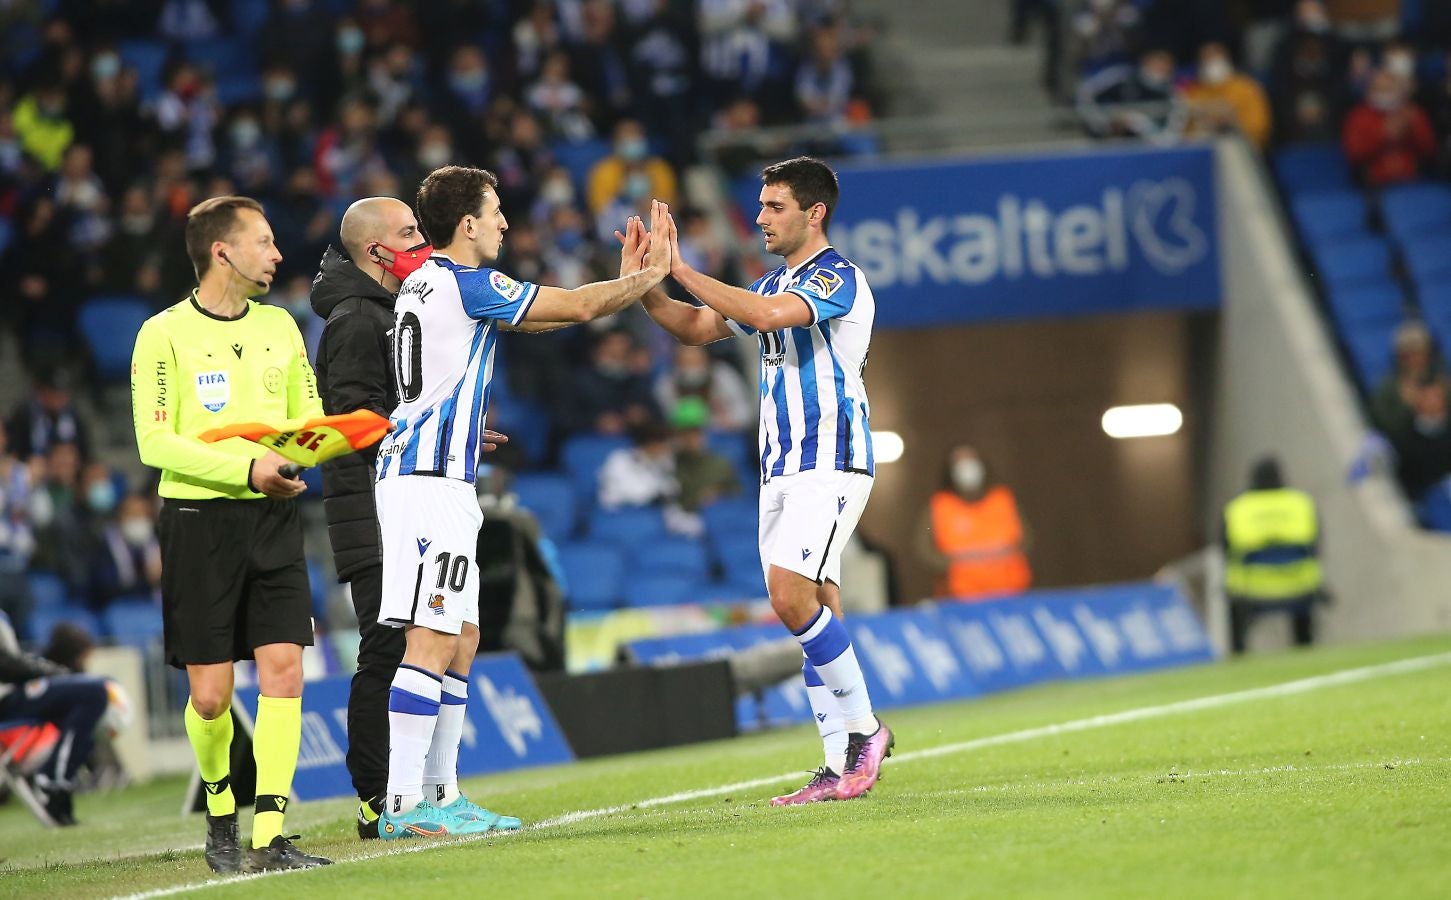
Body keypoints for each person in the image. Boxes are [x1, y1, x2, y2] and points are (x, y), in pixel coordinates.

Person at [373, 166, 672, 840]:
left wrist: (456, 427)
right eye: (496, 210)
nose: (506, 222)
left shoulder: (425, 284)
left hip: (436, 473)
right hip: (428, 484)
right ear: (467, 223)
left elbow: (445, 371)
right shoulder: (465, 280)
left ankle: (441, 793)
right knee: (432, 637)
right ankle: (403, 804)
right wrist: (649, 275)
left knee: (464, 636)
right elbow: (579, 308)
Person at [623, 156, 892, 805]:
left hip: (828, 457)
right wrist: (643, 284)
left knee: (787, 594)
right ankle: (837, 766)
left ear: (813, 212)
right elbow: (692, 326)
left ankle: (864, 732)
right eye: (762, 205)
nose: (759, 216)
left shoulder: (837, 277)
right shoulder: (773, 280)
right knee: (816, 608)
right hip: (782, 467)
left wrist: (681, 268)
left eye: (774, 206)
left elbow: (770, 318)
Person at [130, 195, 330, 873]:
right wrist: (249, 466)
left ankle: (270, 833)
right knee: (210, 695)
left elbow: (308, 415)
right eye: (265, 242)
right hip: (198, 523)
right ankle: (220, 809)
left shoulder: (281, 327)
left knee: (284, 672)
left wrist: (307, 451)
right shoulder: (162, 335)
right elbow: (155, 442)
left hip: (273, 519)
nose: (277, 254)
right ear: (224, 251)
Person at [310, 195, 518, 839]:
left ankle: (434, 791)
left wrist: (445, 429)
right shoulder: (355, 320)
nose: (421, 242)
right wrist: (416, 432)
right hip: (375, 506)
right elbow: (349, 421)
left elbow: (400, 403)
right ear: (377, 250)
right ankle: (383, 800)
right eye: (408, 234)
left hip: (401, 487)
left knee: (447, 636)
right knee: (390, 646)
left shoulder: (399, 305)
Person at [0, 609, 109, 826]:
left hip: (11, 694)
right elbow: (5, 665)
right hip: (6, 699)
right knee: (93, 692)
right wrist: (49, 671)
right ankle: (53, 780)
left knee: (89, 692)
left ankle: (56, 782)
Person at [1221, 457, 1325, 654]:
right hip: (1299, 586)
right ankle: (1305, 647)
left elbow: (1225, 551)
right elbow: (1317, 545)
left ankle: (1239, 653)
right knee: (1304, 612)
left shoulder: (1237, 508)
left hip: (1251, 590)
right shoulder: (1301, 503)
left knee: (1231, 600)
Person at [915, 444, 1032, 601]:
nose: (967, 468)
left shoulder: (1003, 500)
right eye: (960, 463)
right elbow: (924, 549)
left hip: (1011, 594)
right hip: (960, 598)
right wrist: (950, 563)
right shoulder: (939, 507)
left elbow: (1026, 540)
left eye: (971, 460)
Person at [1342, 68, 1435, 188]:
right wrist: (1383, 134)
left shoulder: (1413, 113)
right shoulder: (1358, 116)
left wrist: (1411, 129)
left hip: (1413, 181)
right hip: (1373, 185)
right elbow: (1354, 154)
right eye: (1379, 90)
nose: (1384, 94)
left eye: (1389, 89)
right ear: (1369, 92)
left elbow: (1429, 148)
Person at [1184, 43, 1271, 150]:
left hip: (1240, 148)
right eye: (1206, 59)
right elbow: (1185, 131)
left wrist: (1231, 122)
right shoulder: (1195, 92)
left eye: (1215, 57)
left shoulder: (1246, 87)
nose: (1210, 62)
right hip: (1203, 150)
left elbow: (1260, 127)